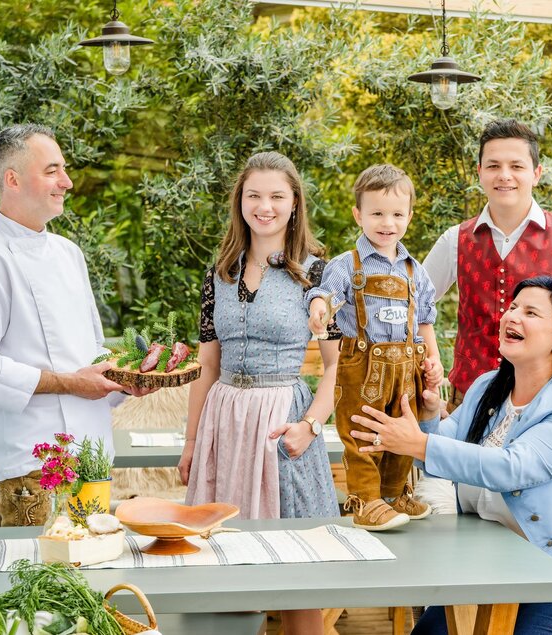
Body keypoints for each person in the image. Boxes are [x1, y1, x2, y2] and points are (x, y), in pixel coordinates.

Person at [349, 276, 552, 635]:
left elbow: (513, 468)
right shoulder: (487, 387)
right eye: (513, 307)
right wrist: (427, 414)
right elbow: (434, 456)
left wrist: (419, 443)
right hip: (498, 577)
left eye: (531, 312)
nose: (512, 316)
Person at [0, 124, 140, 527]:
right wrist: (69, 383)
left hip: (92, 457)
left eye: (64, 170)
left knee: (94, 565)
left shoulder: (69, 254)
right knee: (40, 567)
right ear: (12, 180)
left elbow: (90, 352)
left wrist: (123, 381)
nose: (66, 182)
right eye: (52, 171)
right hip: (33, 468)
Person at [179, 151, 338, 635]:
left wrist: (310, 427)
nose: (264, 207)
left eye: (276, 196)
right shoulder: (218, 273)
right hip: (224, 424)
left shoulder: (318, 274)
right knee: (221, 562)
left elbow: (337, 367)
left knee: (296, 573)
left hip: (281, 425)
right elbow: (208, 366)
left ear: (294, 204)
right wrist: (191, 442)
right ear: (240, 202)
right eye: (254, 196)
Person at [421, 119, 552, 436]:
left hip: (547, 414)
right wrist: (426, 377)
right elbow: (409, 310)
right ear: (480, 172)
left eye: (516, 166)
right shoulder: (455, 240)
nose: (504, 175)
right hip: (467, 411)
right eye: (493, 166)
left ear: (536, 173)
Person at [306, 164, 443, 531]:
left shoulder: (415, 270)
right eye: (377, 213)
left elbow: (424, 321)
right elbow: (325, 294)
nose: (387, 223)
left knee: (403, 430)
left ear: (409, 217)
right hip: (362, 369)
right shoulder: (346, 265)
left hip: (406, 369)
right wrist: (320, 309)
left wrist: (433, 361)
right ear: (358, 215)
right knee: (362, 433)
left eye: (397, 214)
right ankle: (365, 500)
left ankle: (394, 494)